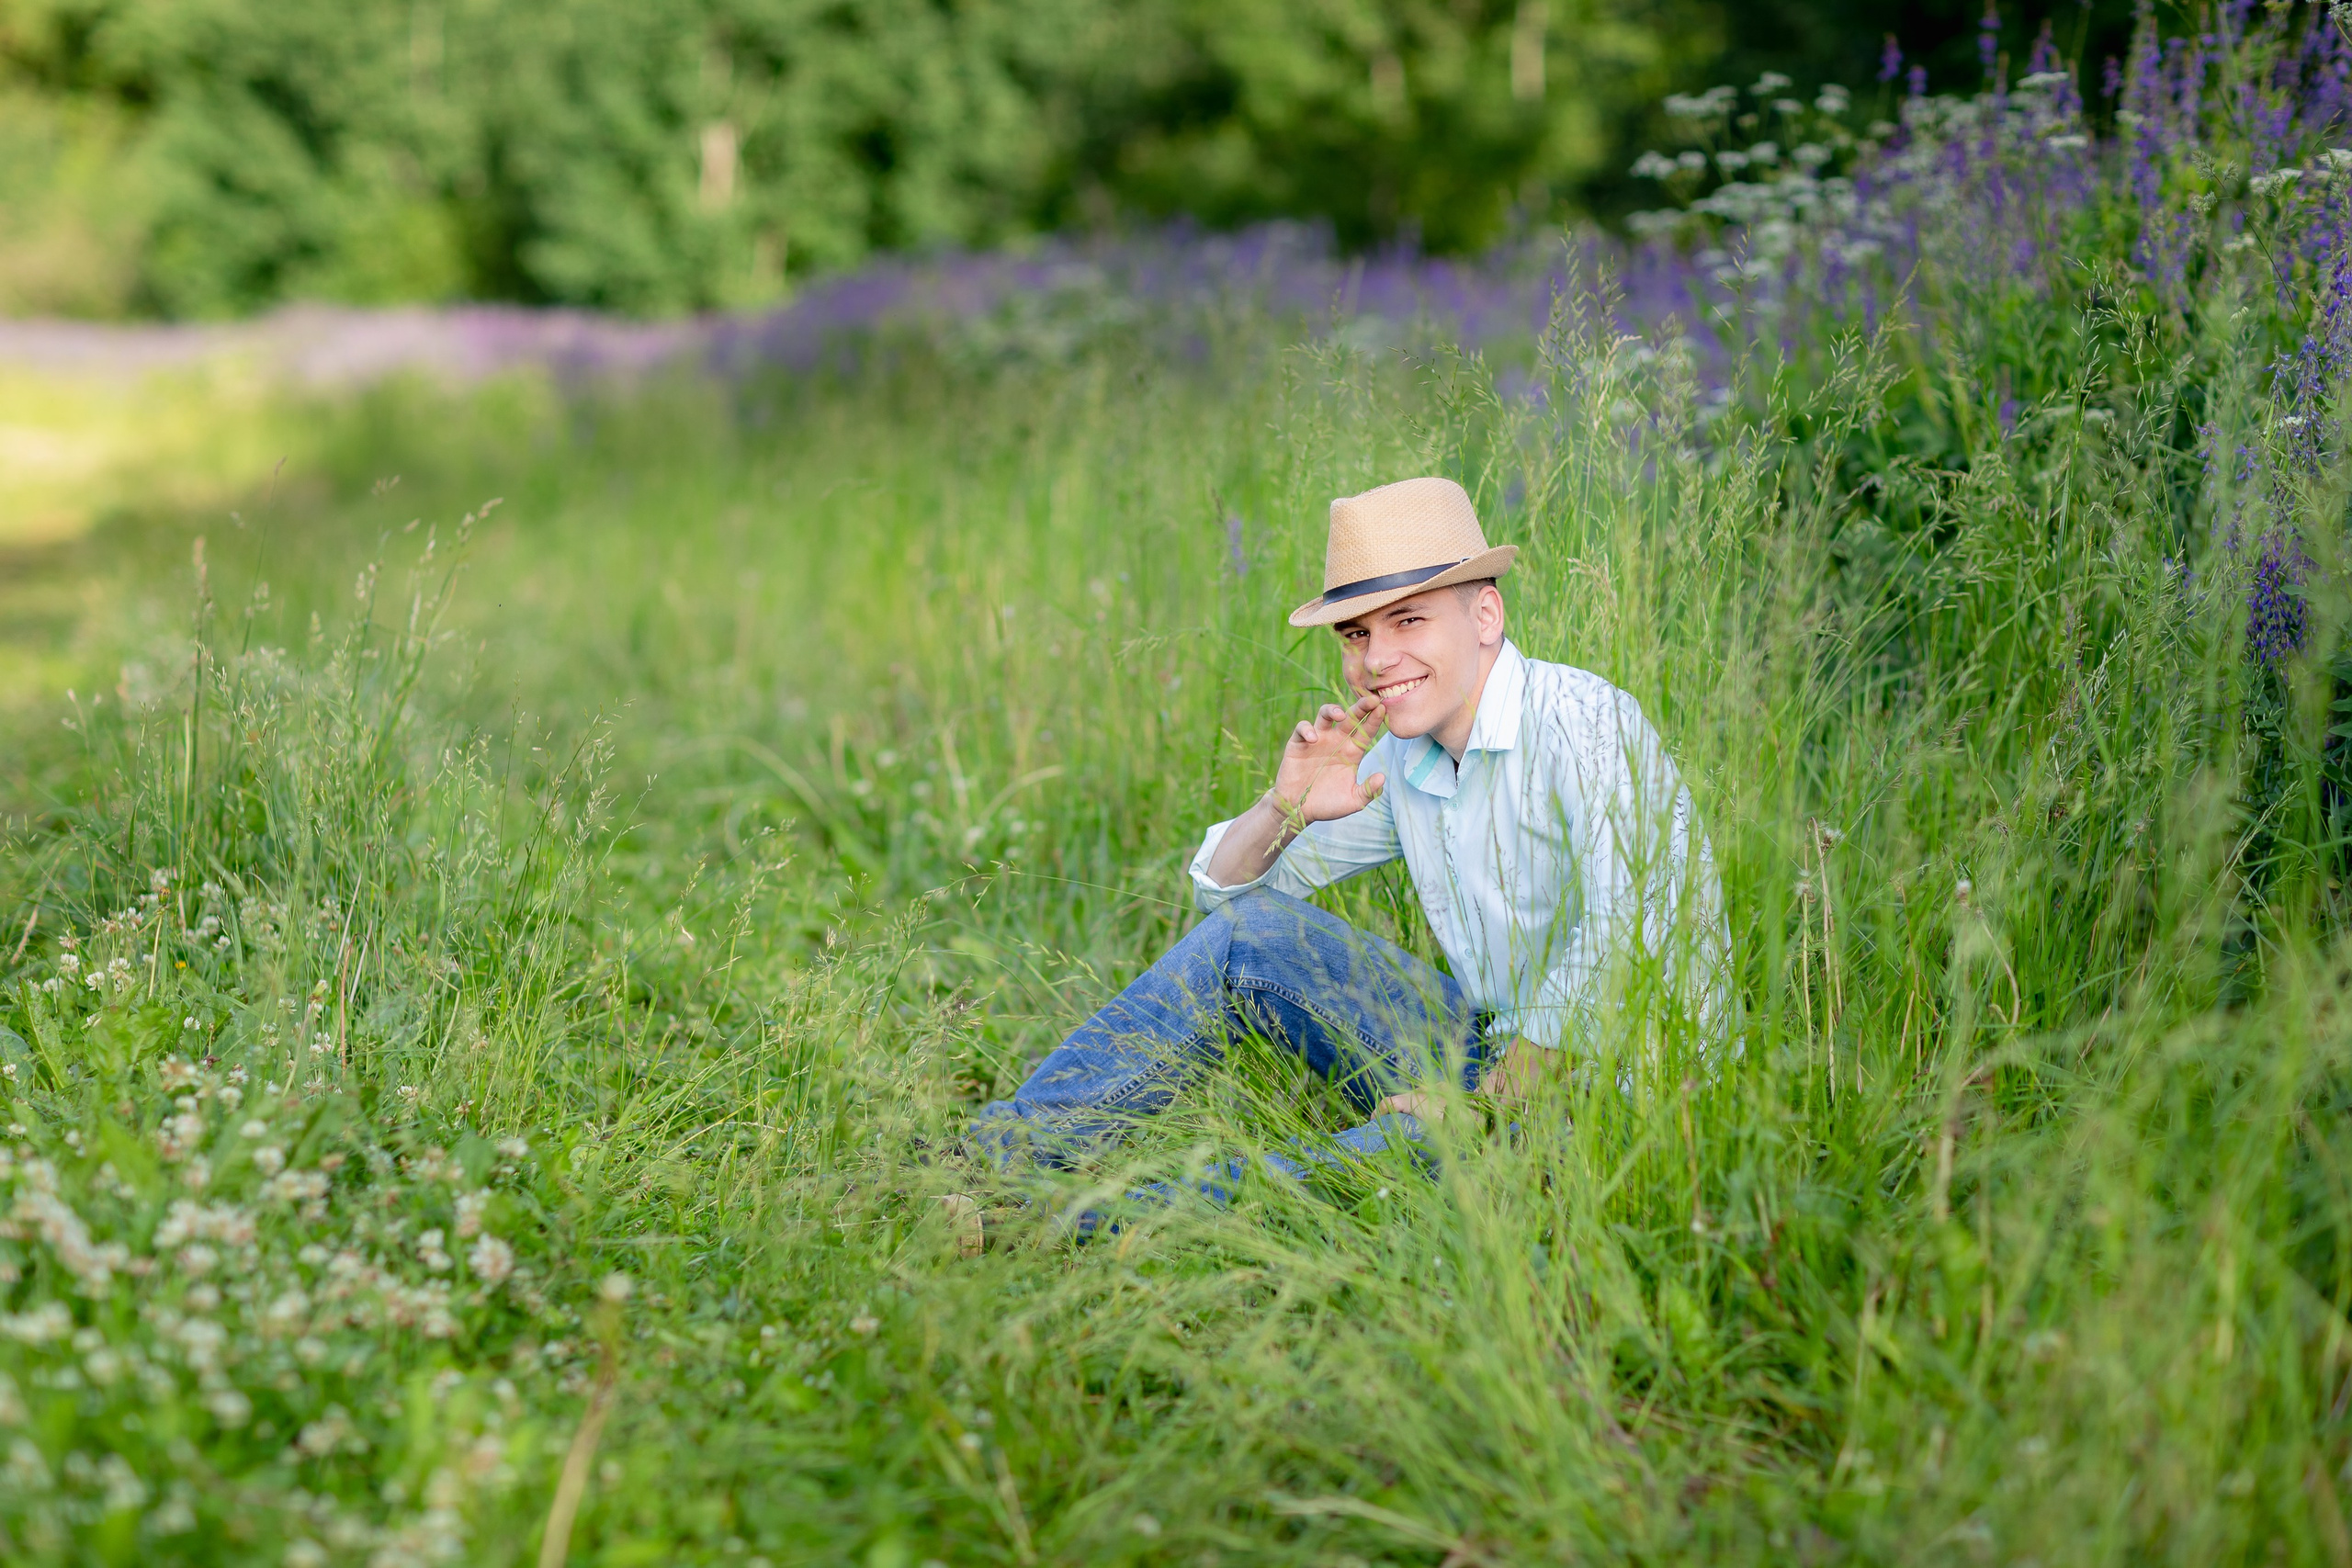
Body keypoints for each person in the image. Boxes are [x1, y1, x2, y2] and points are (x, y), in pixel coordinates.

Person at [956, 476, 1728, 1242]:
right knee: (1253, 934)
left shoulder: (1585, 723)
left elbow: (1620, 949)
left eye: (1408, 620)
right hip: (1495, 1050)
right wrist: (1284, 808)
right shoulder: (1409, 759)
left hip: (1622, 1103)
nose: (1377, 659)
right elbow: (1233, 919)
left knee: (1408, 1148)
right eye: (1357, 634)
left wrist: (1477, 1104)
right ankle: (986, 1167)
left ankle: (1056, 1223)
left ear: (1485, 613)